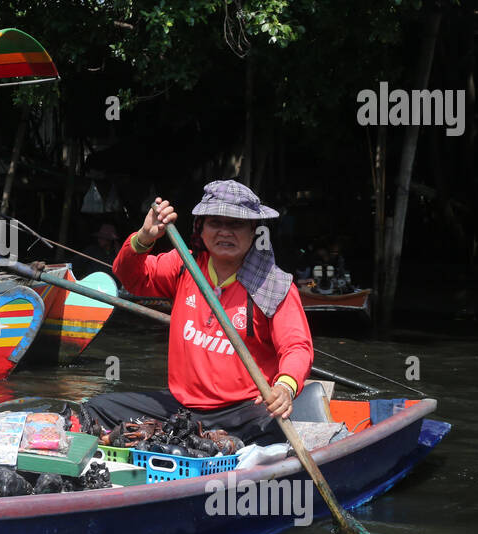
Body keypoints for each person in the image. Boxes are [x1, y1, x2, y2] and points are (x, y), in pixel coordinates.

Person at [82, 179, 314, 446]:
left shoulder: (274, 285)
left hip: (243, 411)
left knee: (274, 427)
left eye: (236, 224)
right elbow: (130, 277)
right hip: (181, 408)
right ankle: (181, 439)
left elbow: (297, 347)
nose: (225, 232)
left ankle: (202, 442)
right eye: (216, 223)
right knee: (96, 408)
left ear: (254, 231)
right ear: (200, 229)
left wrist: (284, 387)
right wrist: (144, 238)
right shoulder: (184, 265)